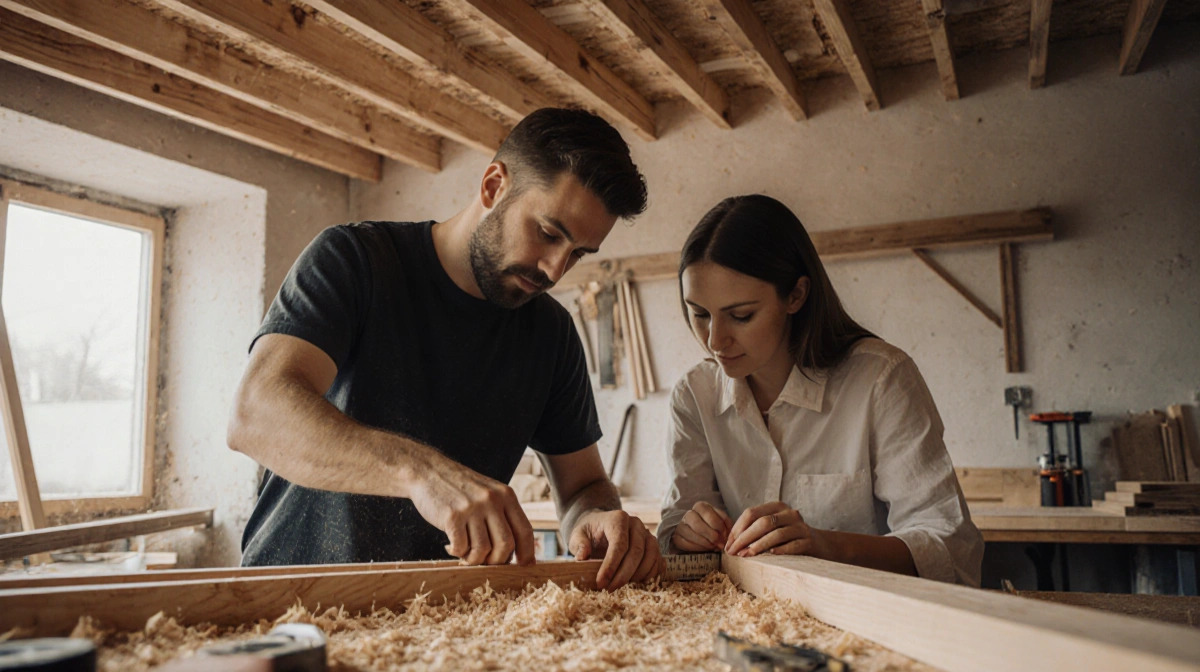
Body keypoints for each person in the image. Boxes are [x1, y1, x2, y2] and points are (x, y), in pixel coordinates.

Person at [228, 108, 664, 590]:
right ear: (494, 186)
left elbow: (583, 487)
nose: (555, 270)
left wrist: (595, 517)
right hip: (290, 600)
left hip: (440, 613)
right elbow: (255, 414)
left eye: (578, 253)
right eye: (548, 233)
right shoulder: (355, 261)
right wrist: (421, 473)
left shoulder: (552, 334)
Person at [658, 195, 983, 585]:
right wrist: (687, 536)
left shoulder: (880, 379)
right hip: (743, 616)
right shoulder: (694, 395)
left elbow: (951, 550)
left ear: (796, 295)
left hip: (864, 614)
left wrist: (826, 546)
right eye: (699, 313)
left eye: (741, 315)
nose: (714, 340)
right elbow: (676, 538)